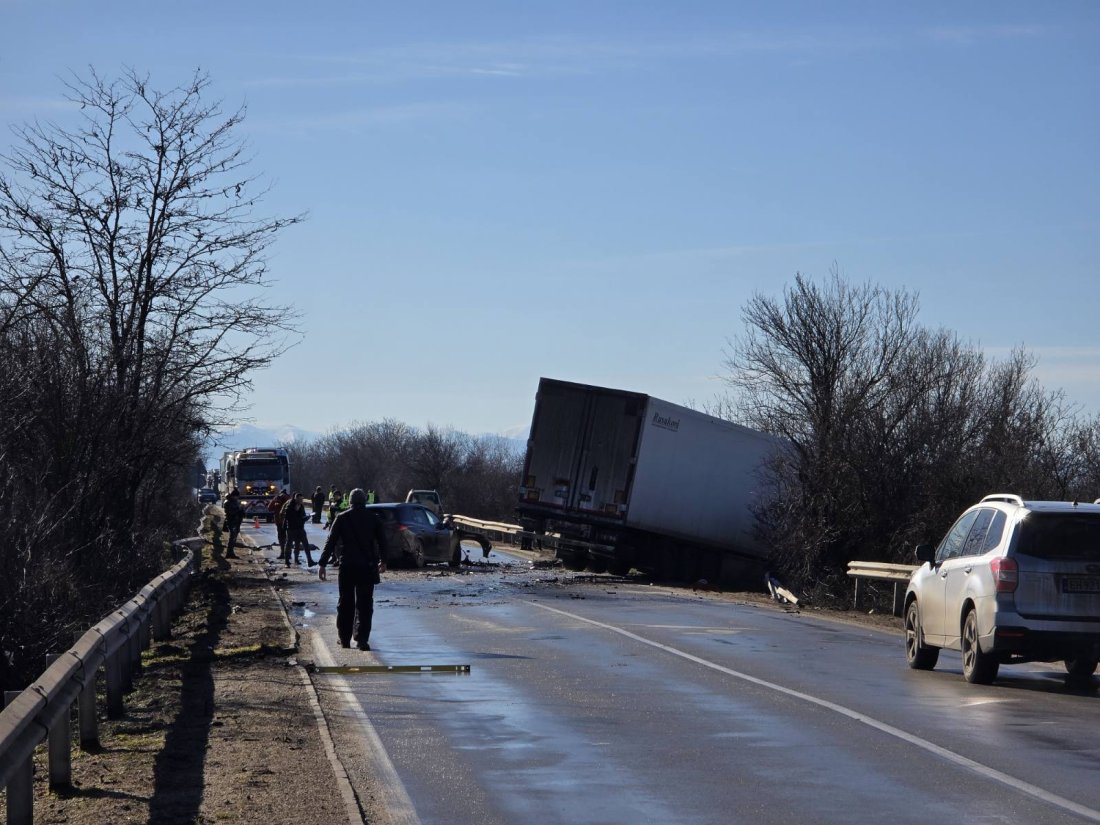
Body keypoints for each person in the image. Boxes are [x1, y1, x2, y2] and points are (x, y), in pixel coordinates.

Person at [318, 488, 387, 650]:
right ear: (364, 501)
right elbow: (383, 542)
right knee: (365, 604)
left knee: (345, 602)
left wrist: (322, 563)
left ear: (349, 502)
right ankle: (362, 639)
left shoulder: (342, 518)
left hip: (347, 565)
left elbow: (331, 542)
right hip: (367, 566)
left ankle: (344, 639)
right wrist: (383, 561)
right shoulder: (373, 519)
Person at [282, 492, 315, 566]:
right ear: (295, 499)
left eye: (302, 499)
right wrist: (295, 511)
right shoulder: (290, 506)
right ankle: (287, 561)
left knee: (305, 545)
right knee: (289, 545)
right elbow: (289, 517)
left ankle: (309, 560)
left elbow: (302, 517)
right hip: (291, 529)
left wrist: (307, 517)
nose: (301, 500)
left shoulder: (302, 506)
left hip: (300, 528)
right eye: (299, 499)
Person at [268, 488, 291, 559]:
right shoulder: (289, 499)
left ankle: (282, 553)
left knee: (281, 538)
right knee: (288, 538)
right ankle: (288, 554)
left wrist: (274, 500)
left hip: (279, 521)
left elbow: (269, 508)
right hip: (288, 521)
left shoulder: (277, 499)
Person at [223, 488, 245, 559]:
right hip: (231, 521)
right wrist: (239, 510)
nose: (237, 498)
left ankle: (231, 552)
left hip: (236, 522)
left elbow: (239, 511)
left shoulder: (235, 502)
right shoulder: (228, 502)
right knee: (232, 537)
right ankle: (229, 553)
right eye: (236, 496)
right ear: (233, 496)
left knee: (234, 538)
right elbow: (230, 512)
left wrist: (242, 511)